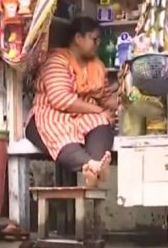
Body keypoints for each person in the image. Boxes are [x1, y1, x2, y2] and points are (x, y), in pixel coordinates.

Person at [25, 17, 118, 187]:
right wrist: (98, 110)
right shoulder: (56, 60)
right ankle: (89, 165)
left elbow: (105, 96)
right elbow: (61, 100)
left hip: (83, 115)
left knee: (101, 122)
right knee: (62, 130)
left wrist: (124, 103)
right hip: (52, 113)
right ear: (78, 38)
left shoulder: (96, 65)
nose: (98, 44)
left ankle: (95, 167)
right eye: (94, 39)